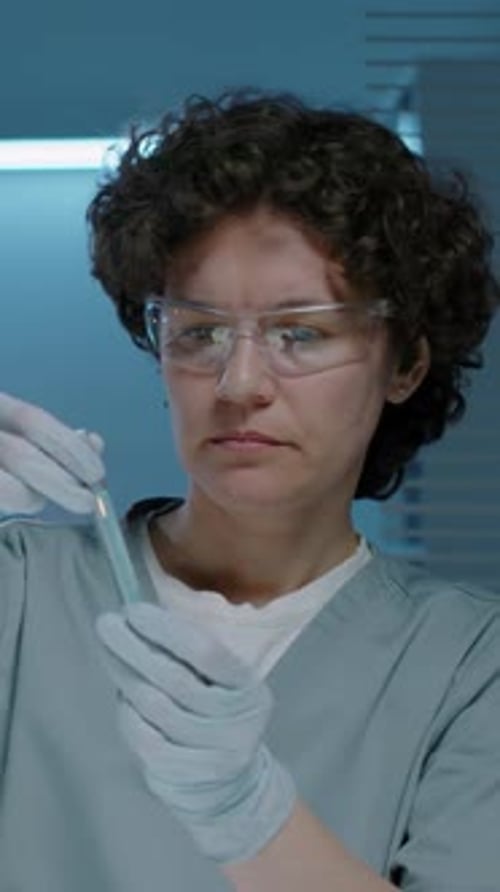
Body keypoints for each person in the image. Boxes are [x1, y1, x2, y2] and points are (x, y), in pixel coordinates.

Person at [0, 89, 499, 892]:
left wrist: (250, 815)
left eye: (300, 333)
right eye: (198, 333)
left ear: (405, 362)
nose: (238, 384)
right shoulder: (21, 592)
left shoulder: (471, 670)